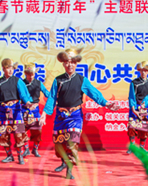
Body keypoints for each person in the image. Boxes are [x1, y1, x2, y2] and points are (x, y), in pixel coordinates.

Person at [40, 48, 119, 179]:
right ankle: (64, 162)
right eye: (66, 62)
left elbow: (94, 94)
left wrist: (106, 103)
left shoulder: (82, 80)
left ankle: (69, 170)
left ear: (76, 64)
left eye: (72, 62)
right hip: (61, 116)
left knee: (72, 143)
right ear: (63, 64)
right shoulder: (58, 80)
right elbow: (52, 98)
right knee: (60, 144)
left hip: (75, 116)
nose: (69, 64)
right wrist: (44, 113)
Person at [0, 59, 33, 165]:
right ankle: (9, 156)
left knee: (19, 134)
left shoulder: (17, 81)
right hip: (3, 111)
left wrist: (27, 102)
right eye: (8, 68)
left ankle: (20, 156)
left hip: (16, 110)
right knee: (3, 135)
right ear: (3, 69)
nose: (10, 70)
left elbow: (23, 94)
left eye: (12, 68)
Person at [127, 61, 148, 154]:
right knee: (131, 127)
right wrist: (133, 108)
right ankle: (132, 147)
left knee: (143, 128)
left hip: (144, 109)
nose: (143, 72)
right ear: (139, 71)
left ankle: (141, 147)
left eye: (145, 71)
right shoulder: (134, 83)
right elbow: (131, 95)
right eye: (142, 71)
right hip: (135, 107)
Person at [21, 62, 49, 158]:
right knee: (22, 130)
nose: (31, 76)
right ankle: (26, 149)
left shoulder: (38, 83)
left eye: (32, 74)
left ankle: (35, 149)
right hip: (24, 109)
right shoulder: (21, 83)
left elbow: (46, 93)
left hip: (35, 110)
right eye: (29, 75)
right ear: (25, 74)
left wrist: (54, 98)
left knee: (37, 131)